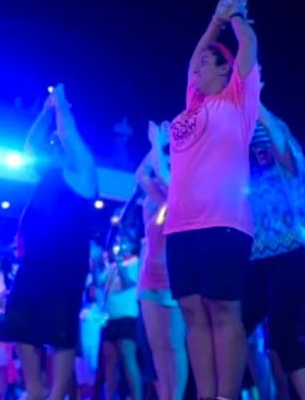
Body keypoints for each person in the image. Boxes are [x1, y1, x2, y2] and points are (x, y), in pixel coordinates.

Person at [164, 0, 260, 400]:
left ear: (226, 70)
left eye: (208, 63)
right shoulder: (192, 106)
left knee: (223, 310)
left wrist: (234, 15)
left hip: (223, 224)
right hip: (181, 226)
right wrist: (214, 19)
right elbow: (193, 56)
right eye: (198, 64)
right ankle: (205, 395)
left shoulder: (239, 101)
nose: (198, 67)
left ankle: (226, 395)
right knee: (191, 311)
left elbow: (248, 45)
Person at [3, 83, 97, 400]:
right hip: (33, 263)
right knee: (20, 323)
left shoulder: (82, 174)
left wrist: (63, 109)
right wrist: (45, 113)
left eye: (58, 143)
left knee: (61, 331)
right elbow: (30, 146)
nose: (53, 145)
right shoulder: (46, 173)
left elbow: (69, 137)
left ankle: (57, 395)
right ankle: (34, 390)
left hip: (66, 267)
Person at [242, 107, 305, 399]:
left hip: (290, 258)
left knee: (284, 338)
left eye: (264, 147)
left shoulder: (285, 164)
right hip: (255, 263)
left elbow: (286, 151)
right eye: (256, 148)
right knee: (237, 329)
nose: (260, 153)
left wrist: (256, 104)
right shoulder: (245, 172)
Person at [136, 121, 188, 400]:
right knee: (157, 348)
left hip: (172, 278)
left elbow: (163, 175)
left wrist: (158, 145)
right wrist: (156, 144)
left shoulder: (180, 196)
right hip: (148, 279)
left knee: (175, 346)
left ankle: (176, 396)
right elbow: (141, 173)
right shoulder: (154, 199)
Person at [100, 233, 142, 400]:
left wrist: (119, 265)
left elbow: (128, 283)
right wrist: (96, 266)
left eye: (124, 241)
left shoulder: (135, 262)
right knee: (109, 361)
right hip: (110, 317)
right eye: (119, 241)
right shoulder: (112, 267)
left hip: (127, 316)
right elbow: (100, 284)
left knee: (128, 359)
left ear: (132, 245)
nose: (120, 244)